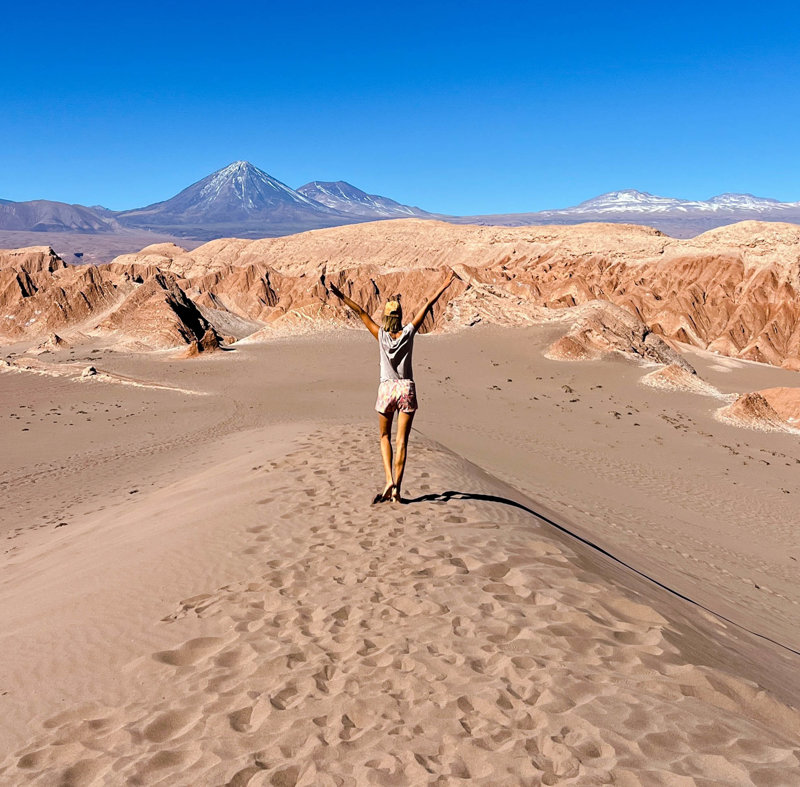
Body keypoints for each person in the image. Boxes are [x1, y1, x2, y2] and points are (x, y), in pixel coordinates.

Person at [329, 271, 458, 503]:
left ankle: (389, 479)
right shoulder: (408, 333)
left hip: (387, 389)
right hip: (406, 389)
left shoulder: (380, 335)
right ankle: (397, 488)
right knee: (402, 442)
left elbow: (361, 312)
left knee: (384, 436)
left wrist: (341, 296)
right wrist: (444, 285)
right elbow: (427, 305)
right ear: (399, 316)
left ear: (386, 316)